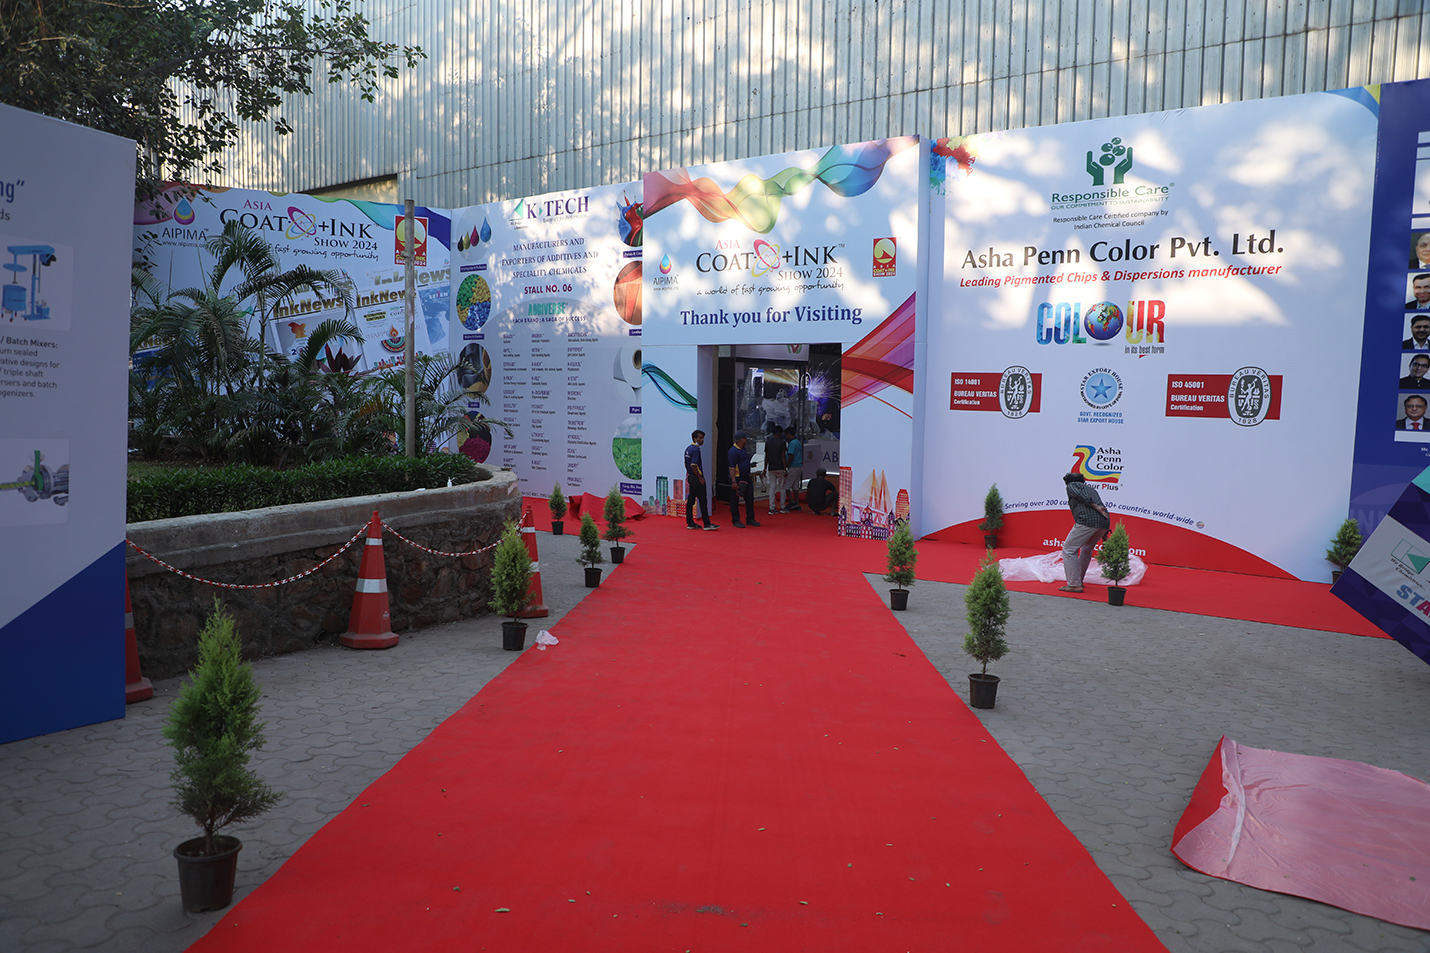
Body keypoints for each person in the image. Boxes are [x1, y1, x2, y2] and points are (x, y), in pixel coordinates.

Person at [1060, 472, 1110, 593]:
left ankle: (1074, 584)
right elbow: (1102, 508)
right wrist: (1104, 534)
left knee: (1069, 550)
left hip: (1087, 521)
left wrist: (1094, 505)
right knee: (1086, 549)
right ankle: (1078, 581)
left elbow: (1079, 495)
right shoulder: (1092, 490)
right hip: (1104, 522)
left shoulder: (1072, 485)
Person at [684, 429, 718, 530]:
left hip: (691, 477)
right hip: (696, 478)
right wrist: (700, 478)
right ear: (695, 438)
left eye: (703, 438)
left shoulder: (688, 449)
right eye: (700, 438)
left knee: (691, 500)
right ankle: (707, 524)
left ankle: (690, 522)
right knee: (703, 500)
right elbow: (693, 465)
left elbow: (686, 464)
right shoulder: (696, 450)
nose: (702, 440)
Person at [727, 432, 760, 528]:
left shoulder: (744, 449)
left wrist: (749, 465)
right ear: (741, 439)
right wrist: (734, 481)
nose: (746, 440)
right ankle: (735, 520)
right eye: (745, 438)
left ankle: (750, 518)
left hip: (746, 477)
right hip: (738, 478)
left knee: (750, 498)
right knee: (735, 499)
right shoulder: (733, 451)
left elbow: (742, 462)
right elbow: (732, 468)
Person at [763, 422, 787, 516]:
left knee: (772, 487)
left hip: (771, 467)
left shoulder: (768, 442)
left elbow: (766, 456)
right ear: (780, 433)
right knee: (782, 487)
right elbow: (783, 456)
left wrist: (765, 468)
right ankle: (782, 507)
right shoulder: (782, 442)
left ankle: (771, 508)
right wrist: (785, 469)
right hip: (780, 467)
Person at [783, 426, 803, 511]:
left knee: (786, 486)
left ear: (788, 434)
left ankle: (792, 502)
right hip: (799, 466)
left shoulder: (792, 443)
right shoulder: (798, 442)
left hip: (793, 466)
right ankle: (797, 503)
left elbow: (791, 455)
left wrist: (786, 465)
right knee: (795, 486)